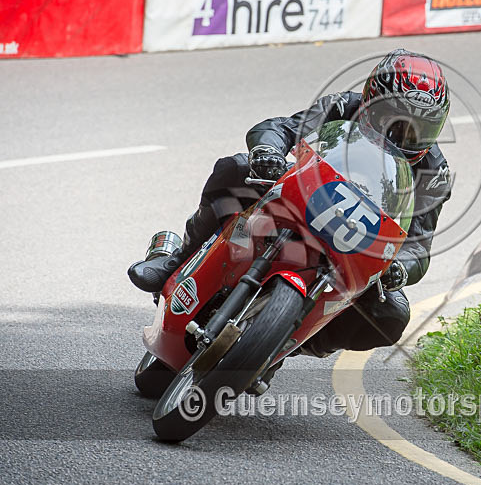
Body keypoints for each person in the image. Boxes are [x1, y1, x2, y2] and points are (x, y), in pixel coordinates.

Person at [128, 49, 452, 356]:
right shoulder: (342, 107)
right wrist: (267, 151)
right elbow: (279, 128)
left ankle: (294, 341)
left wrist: (400, 269)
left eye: (420, 129)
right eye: (393, 121)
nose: (403, 137)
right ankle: (179, 258)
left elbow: (418, 247)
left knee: (391, 314)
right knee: (236, 168)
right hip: (302, 196)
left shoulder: (434, 171)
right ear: (370, 102)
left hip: (358, 240)